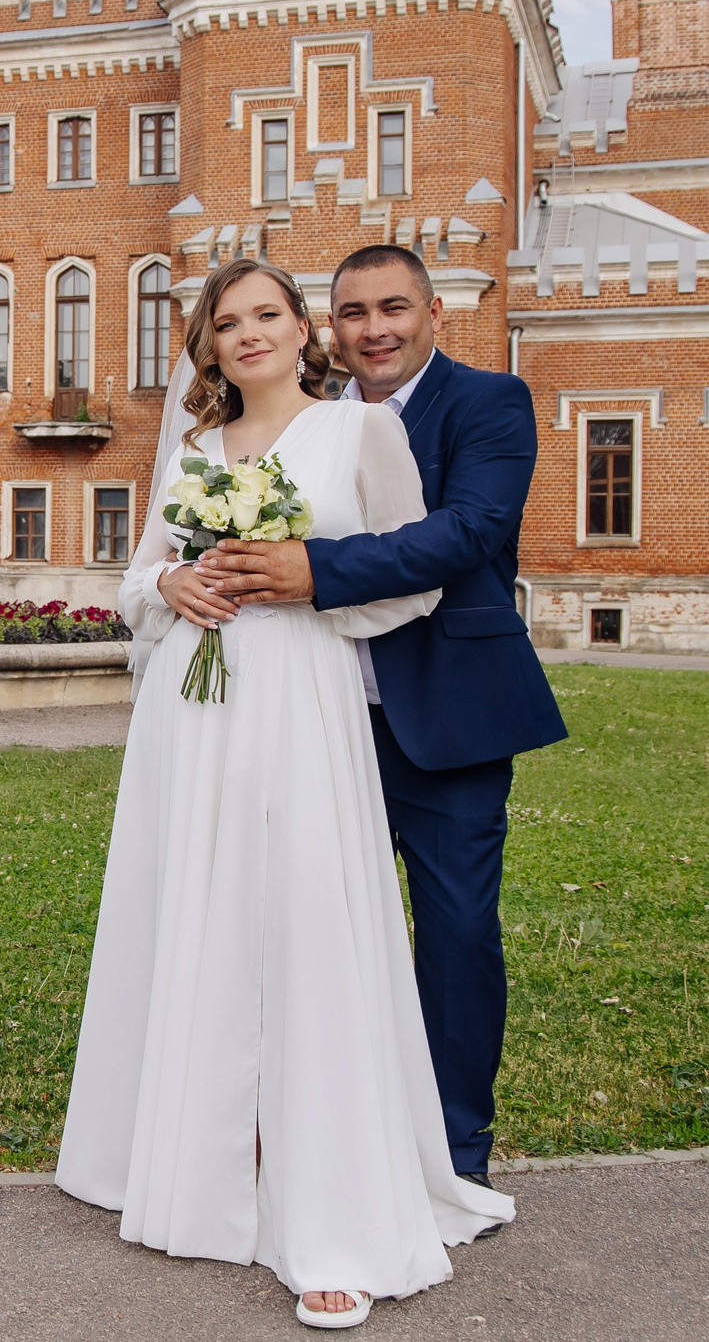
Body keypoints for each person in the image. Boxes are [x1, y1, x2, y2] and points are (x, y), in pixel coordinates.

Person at [57, 258, 512, 1332]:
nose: (249, 334)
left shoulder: (357, 434)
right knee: (203, 917)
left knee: (309, 931)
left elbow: (416, 576)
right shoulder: (193, 450)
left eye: (267, 315)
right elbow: (132, 585)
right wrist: (170, 587)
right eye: (228, 323)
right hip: (191, 710)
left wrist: (302, 585)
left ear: (300, 328)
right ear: (206, 347)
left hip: (302, 702)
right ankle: (202, 1168)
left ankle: (333, 1215)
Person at [195, 244, 567, 1187]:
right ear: (331, 325)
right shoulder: (298, 422)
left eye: (394, 307)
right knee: (311, 933)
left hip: (446, 719)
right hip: (314, 722)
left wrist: (316, 573)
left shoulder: (488, 403)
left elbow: (469, 532)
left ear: (435, 311)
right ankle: (320, 1139)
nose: (376, 329)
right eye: (354, 312)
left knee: (454, 935)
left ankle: (450, 1154)